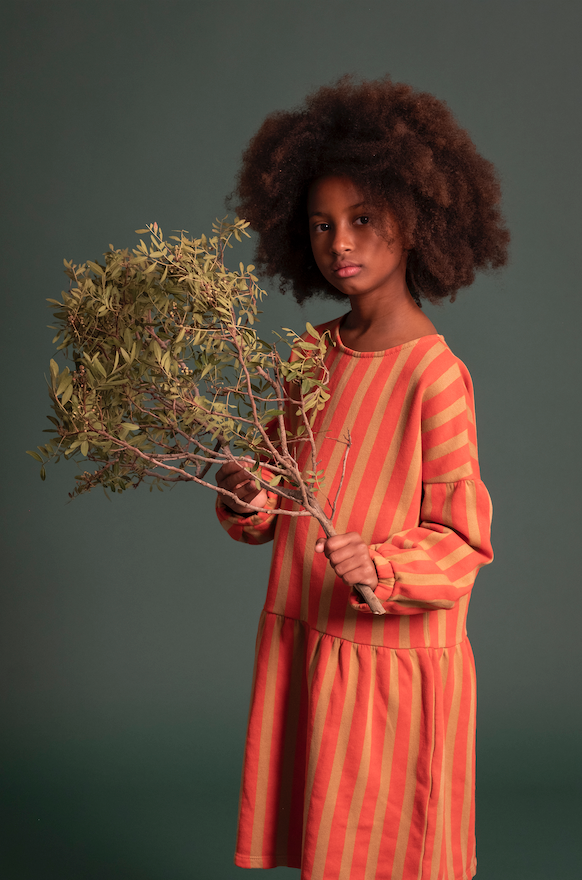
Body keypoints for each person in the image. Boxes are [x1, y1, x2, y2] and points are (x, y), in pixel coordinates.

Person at [215, 76, 509, 880]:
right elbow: (278, 487)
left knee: (384, 853)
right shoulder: (311, 355)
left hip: (389, 669)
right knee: (326, 848)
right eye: (321, 225)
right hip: (312, 645)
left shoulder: (436, 377)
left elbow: (460, 544)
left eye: (363, 220)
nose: (338, 242)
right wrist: (250, 494)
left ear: (416, 223)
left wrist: (380, 565)